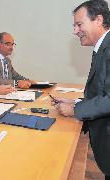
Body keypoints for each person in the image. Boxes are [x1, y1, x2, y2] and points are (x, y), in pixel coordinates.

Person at [52, 0, 110, 178]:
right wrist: (76, 102)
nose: (75, 31)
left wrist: (75, 110)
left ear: (98, 20)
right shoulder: (102, 47)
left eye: (79, 24)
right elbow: (102, 91)